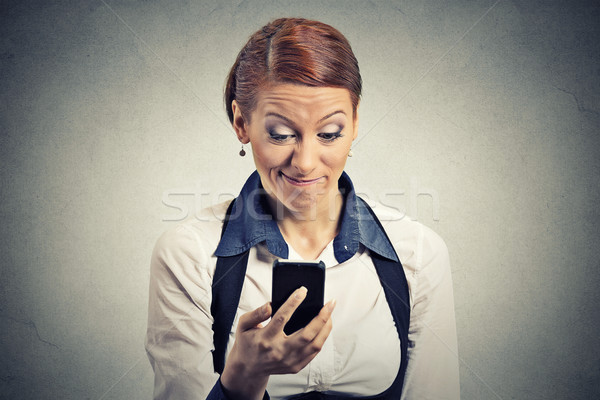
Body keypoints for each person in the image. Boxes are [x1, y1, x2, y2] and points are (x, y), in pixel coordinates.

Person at [145, 17, 460, 400]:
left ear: (356, 122)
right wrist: (243, 376)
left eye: (329, 134)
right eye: (281, 134)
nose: (306, 161)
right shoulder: (190, 254)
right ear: (241, 123)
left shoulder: (418, 252)